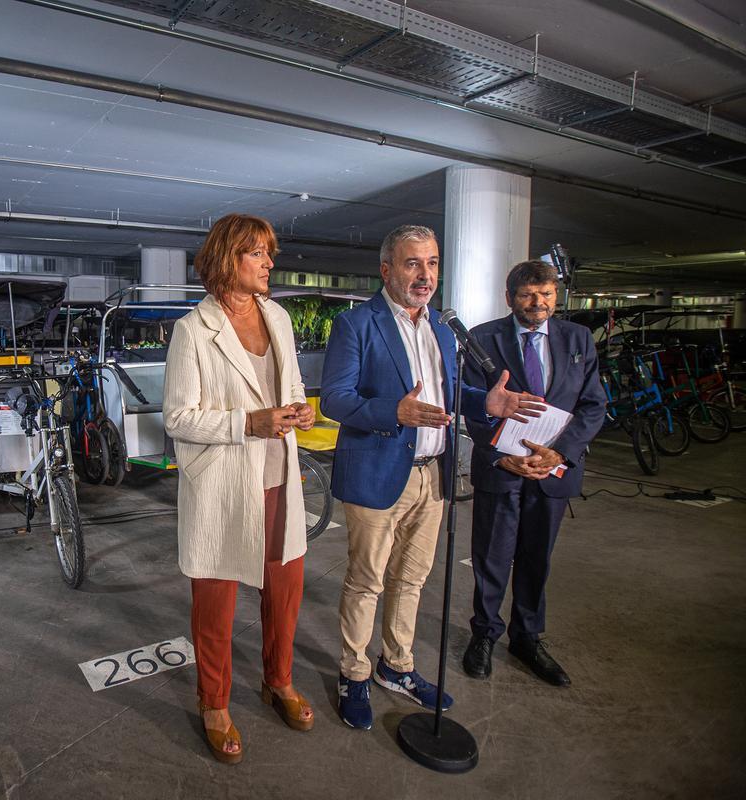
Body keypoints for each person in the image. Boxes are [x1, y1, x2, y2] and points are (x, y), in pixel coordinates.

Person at [320, 224, 542, 730]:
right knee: (366, 581)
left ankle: (396, 667)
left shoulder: (443, 330)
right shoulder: (356, 325)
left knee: (412, 579)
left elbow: (448, 399)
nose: (425, 275)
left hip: (433, 477)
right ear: (387, 269)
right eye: (413, 263)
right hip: (377, 472)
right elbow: (335, 399)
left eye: (433, 263)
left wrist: (484, 403)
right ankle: (353, 674)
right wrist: (391, 412)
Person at [163, 213, 315, 764]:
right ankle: (214, 702)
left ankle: (278, 681)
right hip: (225, 487)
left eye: (270, 253)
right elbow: (178, 418)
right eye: (259, 253)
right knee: (216, 602)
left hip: (278, 477)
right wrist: (248, 423)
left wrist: (296, 409)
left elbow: (288, 384)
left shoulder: (277, 316)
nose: (270, 262)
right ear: (230, 258)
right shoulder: (192, 330)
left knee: (285, 589)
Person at [461, 260, 605, 686]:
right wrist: (498, 456)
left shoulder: (578, 338)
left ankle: (527, 638)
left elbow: (594, 405)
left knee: (536, 558)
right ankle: (484, 634)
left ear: (555, 296)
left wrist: (559, 454)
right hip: (502, 469)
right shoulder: (482, 339)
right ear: (510, 298)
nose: (537, 303)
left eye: (545, 294)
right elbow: (473, 403)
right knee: (491, 557)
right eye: (527, 295)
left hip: (552, 470)